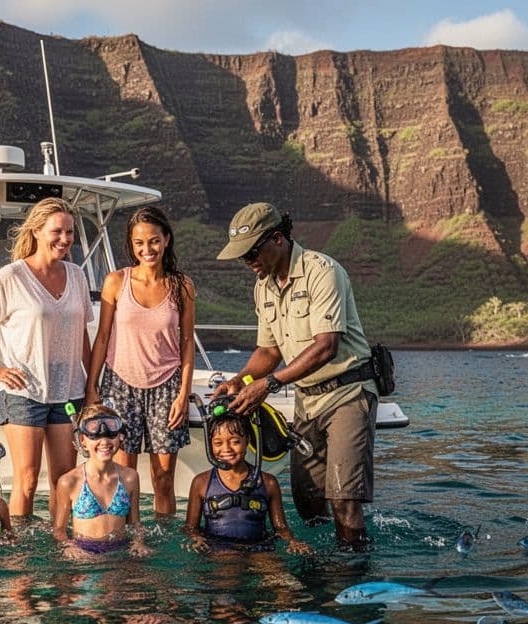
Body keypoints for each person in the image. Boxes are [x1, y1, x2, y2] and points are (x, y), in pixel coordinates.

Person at [211, 202, 377, 551]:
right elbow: (269, 352)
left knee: (343, 498)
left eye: (251, 252)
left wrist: (269, 385)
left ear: (278, 238)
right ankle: (319, 568)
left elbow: (326, 346)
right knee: (307, 500)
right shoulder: (263, 287)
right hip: (307, 399)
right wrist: (240, 379)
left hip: (348, 392)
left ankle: (351, 580)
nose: (247, 262)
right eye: (242, 256)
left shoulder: (322, 271)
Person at [0, 198, 92, 522]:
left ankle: (59, 543)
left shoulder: (77, 276)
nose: (64, 239)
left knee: (65, 480)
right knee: (28, 480)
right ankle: (20, 552)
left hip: (69, 390)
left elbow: (83, 335)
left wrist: (92, 385)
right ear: (36, 231)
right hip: (24, 392)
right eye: (56, 231)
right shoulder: (12, 276)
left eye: (70, 232)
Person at [86, 205, 195, 517]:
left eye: (154, 241)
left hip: (167, 386)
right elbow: (103, 337)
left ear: (167, 240)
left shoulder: (182, 285)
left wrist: (183, 394)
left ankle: (163, 545)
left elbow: (187, 342)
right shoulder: (115, 282)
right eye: (139, 243)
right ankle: (127, 538)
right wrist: (92, 388)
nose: (147, 249)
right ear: (131, 245)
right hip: (121, 385)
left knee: (163, 478)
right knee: (123, 476)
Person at [183, 411, 311, 554]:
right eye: (218, 443)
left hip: (259, 548)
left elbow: (280, 528)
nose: (226, 449)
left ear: (248, 441)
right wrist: (196, 538)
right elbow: (190, 527)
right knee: (229, 567)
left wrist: (292, 541)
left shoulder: (268, 483)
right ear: (210, 445)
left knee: (281, 576)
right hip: (219, 550)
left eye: (235, 442)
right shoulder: (201, 482)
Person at [51, 404, 151, 556]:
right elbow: (59, 530)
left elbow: (135, 523)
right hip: (84, 554)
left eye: (111, 435)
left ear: (120, 436)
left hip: (120, 552)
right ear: (82, 440)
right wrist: (69, 547)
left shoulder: (130, 478)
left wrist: (138, 542)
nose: (104, 442)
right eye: (96, 436)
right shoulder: (69, 482)